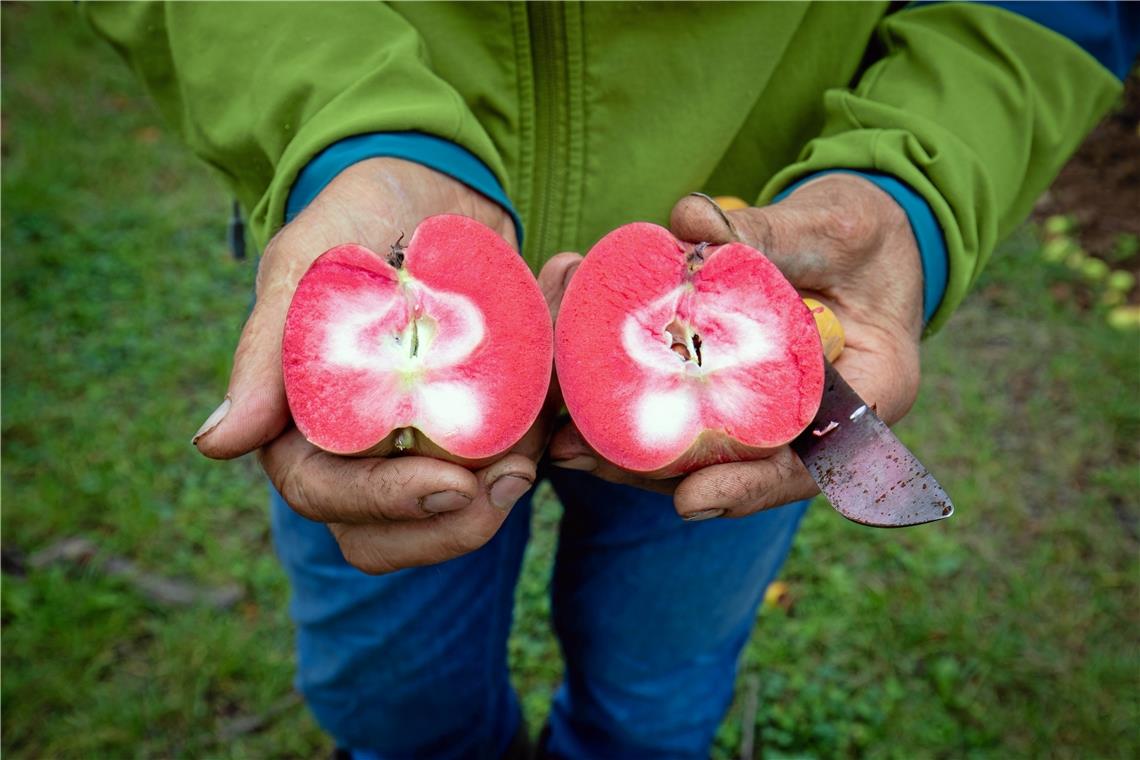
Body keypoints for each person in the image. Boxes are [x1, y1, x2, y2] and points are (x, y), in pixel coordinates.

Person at [84, 2, 1135, 758]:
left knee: (654, 698)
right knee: (390, 694)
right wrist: (347, 134)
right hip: (365, 215)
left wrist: (910, 184)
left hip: (755, 219)